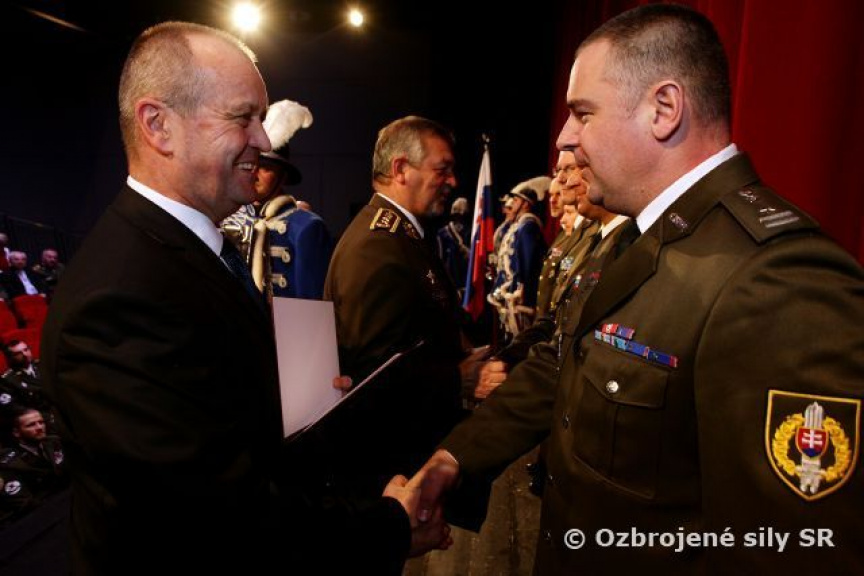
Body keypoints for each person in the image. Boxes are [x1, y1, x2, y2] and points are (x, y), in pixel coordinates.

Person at [417, 5, 864, 574]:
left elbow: (795, 547)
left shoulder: (779, 278)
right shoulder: (634, 238)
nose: (565, 138)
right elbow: (562, 361)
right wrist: (455, 458)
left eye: (583, 113)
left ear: (664, 109)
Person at [41, 22, 448, 576]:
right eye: (242, 118)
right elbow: (217, 517)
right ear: (158, 125)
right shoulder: (116, 300)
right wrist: (390, 525)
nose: (263, 140)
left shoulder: (189, 250)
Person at [322, 116, 476, 506]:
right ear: (401, 169)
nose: (453, 181)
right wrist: (458, 379)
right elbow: (371, 376)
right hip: (387, 475)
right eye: (442, 169)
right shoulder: (377, 247)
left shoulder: (401, 238)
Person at [221, 98, 333, 300]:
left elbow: (312, 303)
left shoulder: (306, 227)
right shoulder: (226, 220)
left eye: (265, 167)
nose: (255, 173)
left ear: (283, 176)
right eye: (251, 164)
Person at [488, 177, 549, 336]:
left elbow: (527, 264)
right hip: (509, 291)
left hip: (519, 296)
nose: (511, 204)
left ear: (526, 204)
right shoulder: (519, 225)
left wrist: (521, 292)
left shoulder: (528, 226)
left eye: (516, 200)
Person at [436, 197, 471, 294]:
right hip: (450, 274)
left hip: (466, 274)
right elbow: (441, 257)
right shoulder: (443, 233)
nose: (458, 217)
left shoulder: (469, 231)